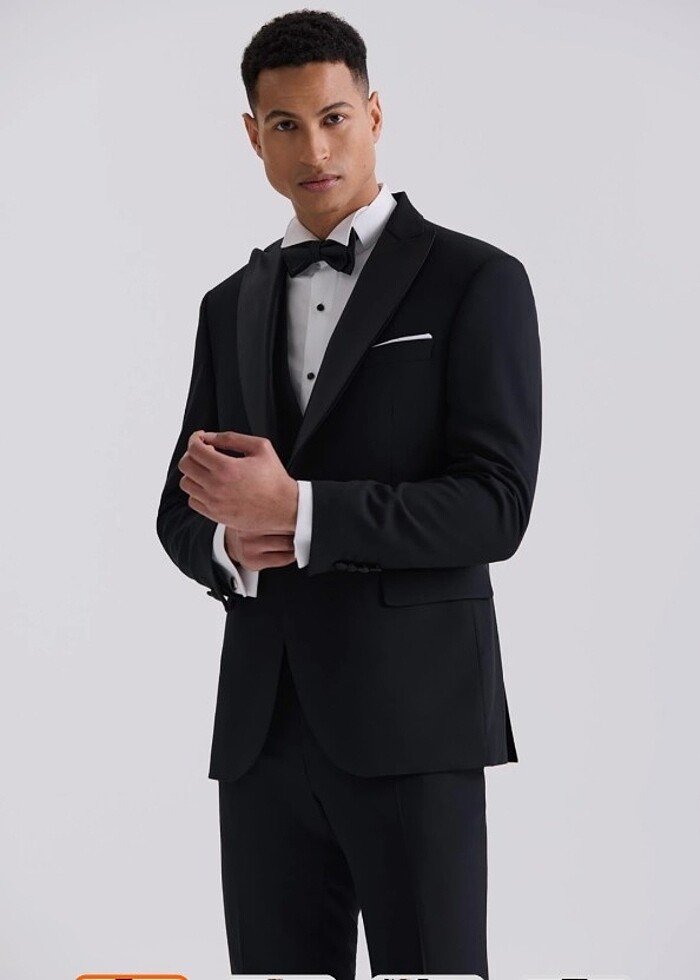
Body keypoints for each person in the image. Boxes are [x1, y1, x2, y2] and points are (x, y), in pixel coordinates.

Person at [156, 9, 542, 980]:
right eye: (285, 125)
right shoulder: (227, 304)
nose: (315, 149)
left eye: (333, 118)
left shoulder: (476, 280)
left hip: (414, 721)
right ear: (254, 135)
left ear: (373, 115)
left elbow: (496, 505)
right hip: (261, 732)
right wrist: (230, 545)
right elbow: (180, 508)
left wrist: (301, 513)